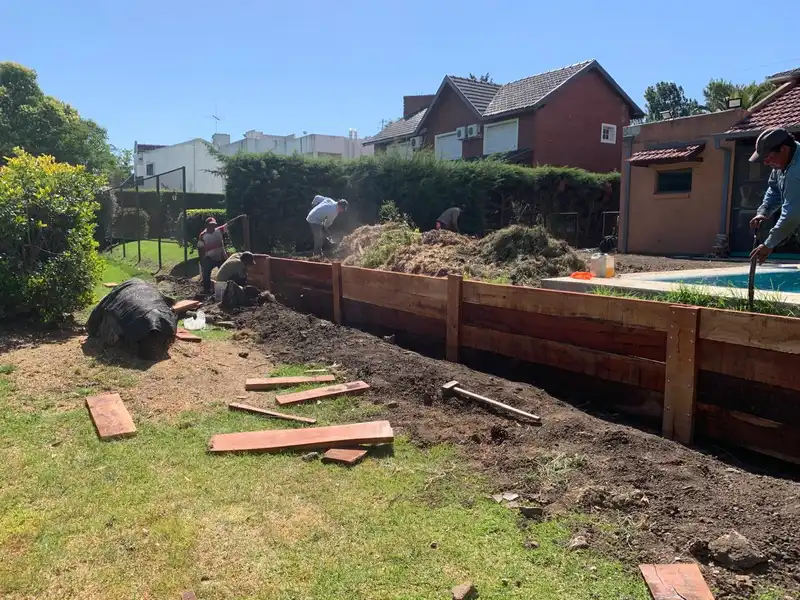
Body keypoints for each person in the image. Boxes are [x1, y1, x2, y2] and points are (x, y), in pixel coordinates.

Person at [749, 128, 800, 264]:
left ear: (783, 149)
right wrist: (764, 211)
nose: (765, 163)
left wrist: (769, 244)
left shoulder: (796, 171)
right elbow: (775, 189)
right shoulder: (782, 163)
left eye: (768, 157)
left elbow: (792, 214)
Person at [197, 214, 243, 293]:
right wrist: (202, 259)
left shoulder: (219, 230)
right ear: (207, 225)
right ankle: (207, 289)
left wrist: (239, 217)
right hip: (210, 258)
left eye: (214, 225)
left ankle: (228, 289)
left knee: (225, 273)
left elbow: (229, 223)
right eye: (211, 225)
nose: (213, 227)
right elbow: (200, 248)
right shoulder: (202, 235)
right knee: (206, 273)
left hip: (221, 257)